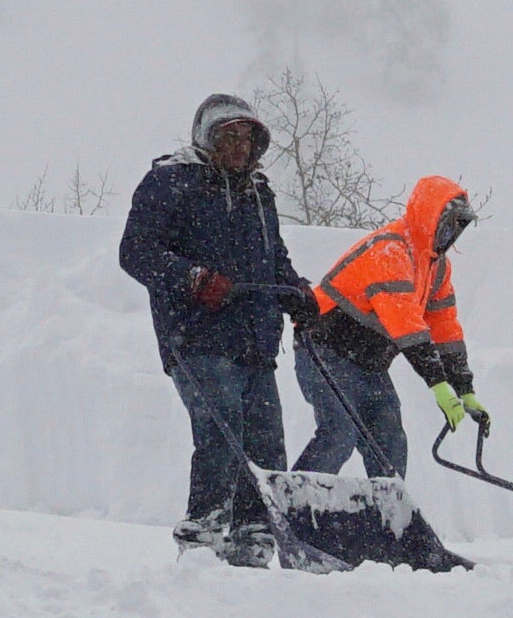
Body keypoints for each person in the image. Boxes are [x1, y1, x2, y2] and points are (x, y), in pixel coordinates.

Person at [115, 94, 305, 559]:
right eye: (230, 136)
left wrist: (298, 292)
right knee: (221, 438)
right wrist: (193, 278)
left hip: (257, 342)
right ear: (206, 137)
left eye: (248, 137)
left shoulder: (259, 193)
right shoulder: (170, 181)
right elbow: (135, 251)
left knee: (266, 451)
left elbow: (273, 257)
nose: (241, 146)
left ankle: (254, 542)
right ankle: (202, 537)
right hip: (197, 336)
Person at [283, 173, 483, 574]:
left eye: (458, 228)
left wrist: (465, 388)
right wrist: (437, 385)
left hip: (369, 363)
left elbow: (444, 328)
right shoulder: (391, 249)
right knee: (339, 431)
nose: (452, 235)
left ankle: (393, 532)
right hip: (324, 348)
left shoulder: (436, 267)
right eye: (448, 225)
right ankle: (296, 520)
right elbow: (407, 325)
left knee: (389, 439)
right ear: (429, 218)